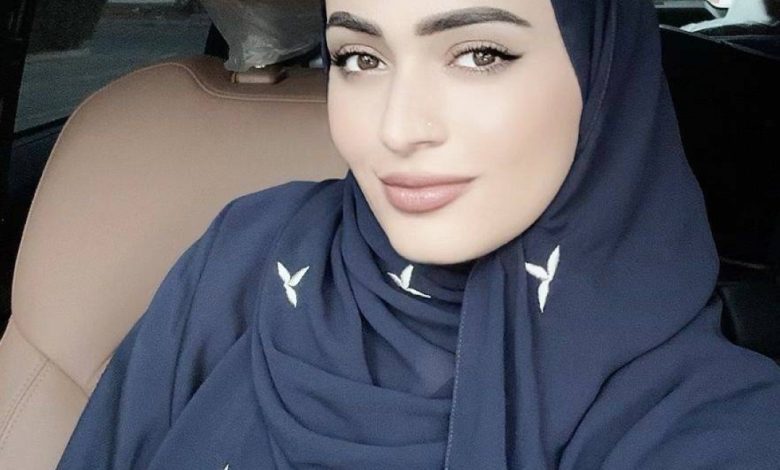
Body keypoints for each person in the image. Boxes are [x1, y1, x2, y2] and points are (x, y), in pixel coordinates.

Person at [58, 0, 780, 468]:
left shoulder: (714, 420)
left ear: (603, 74)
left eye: (480, 54)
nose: (397, 129)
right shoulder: (249, 248)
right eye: (359, 59)